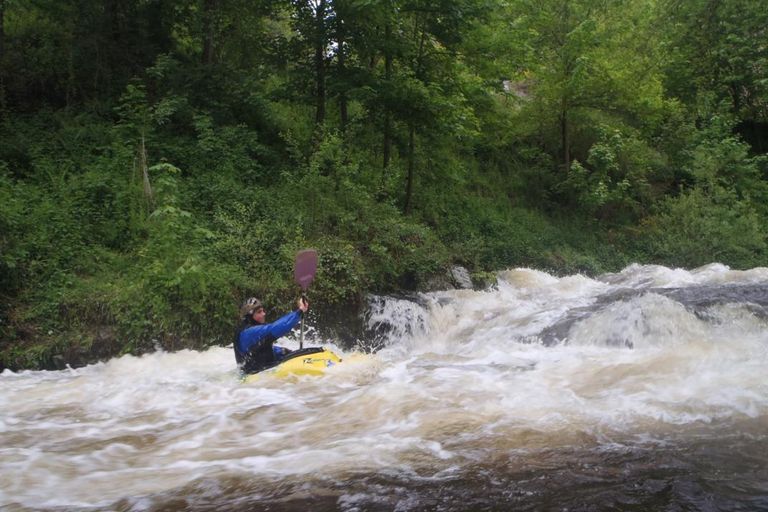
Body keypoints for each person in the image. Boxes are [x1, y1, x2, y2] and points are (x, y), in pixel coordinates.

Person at [234, 296, 309, 374]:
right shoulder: (249, 333)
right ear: (249, 316)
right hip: (257, 378)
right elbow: (277, 328)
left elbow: (261, 349)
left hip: (260, 374)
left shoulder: (247, 331)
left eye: (263, 311)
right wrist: (299, 311)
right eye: (259, 312)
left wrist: (284, 352)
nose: (264, 314)